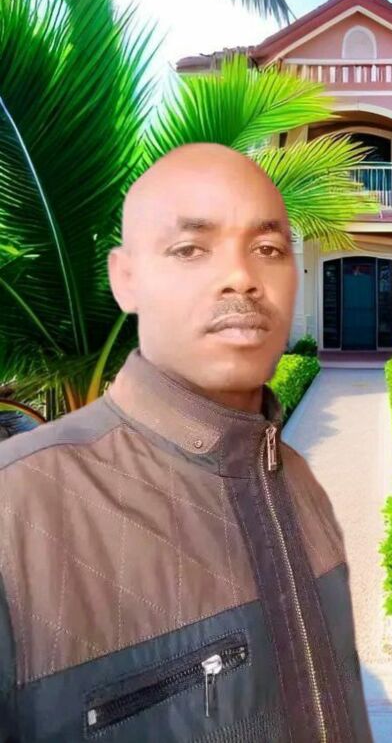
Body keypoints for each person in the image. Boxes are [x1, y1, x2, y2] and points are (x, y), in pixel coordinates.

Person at [0, 143, 372, 742]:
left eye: (268, 249)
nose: (242, 277)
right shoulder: (16, 512)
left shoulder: (300, 484)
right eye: (191, 249)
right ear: (125, 279)